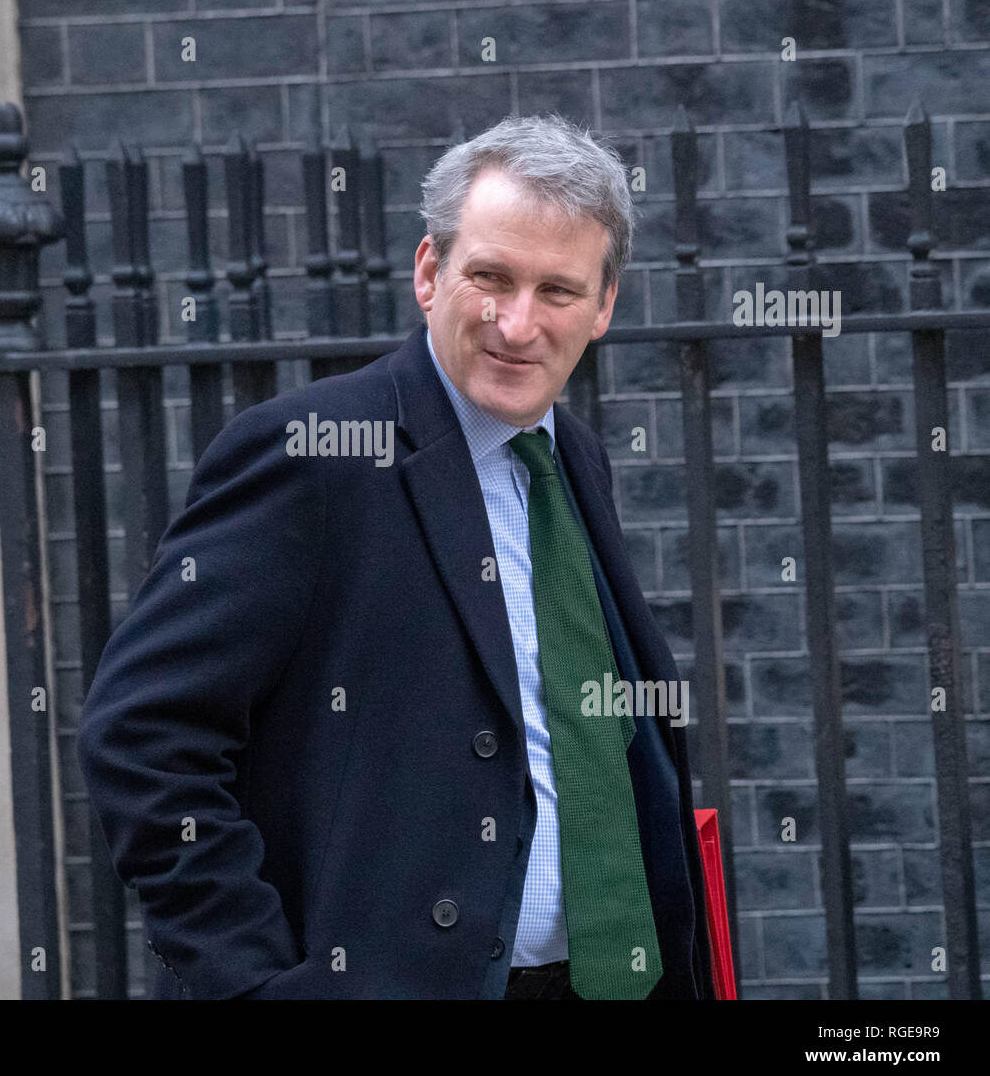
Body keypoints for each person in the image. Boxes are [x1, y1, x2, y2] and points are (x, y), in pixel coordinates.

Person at [77, 113, 715, 1000]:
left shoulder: (572, 456)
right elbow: (142, 732)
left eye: (558, 291)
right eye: (489, 277)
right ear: (429, 272)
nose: (518, 323)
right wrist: (260, 981)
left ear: (604, 306)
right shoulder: (314, 451)